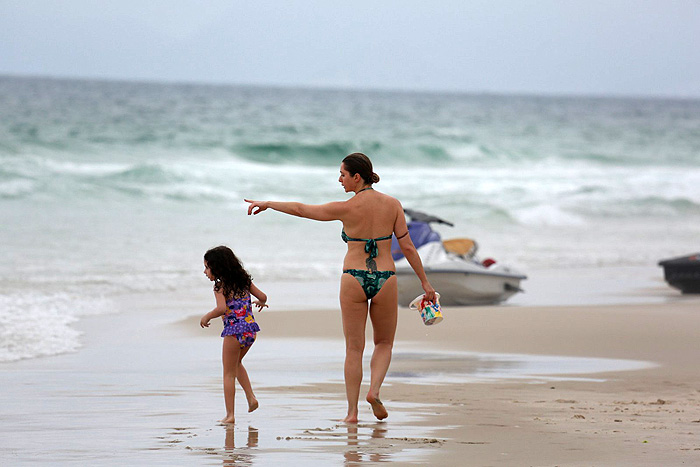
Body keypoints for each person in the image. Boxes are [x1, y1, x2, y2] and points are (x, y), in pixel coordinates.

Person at [245, 152, 435, 423]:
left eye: (343, 174)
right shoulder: (393, 205)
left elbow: (302, 209)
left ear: (357, 177)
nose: (339, 179)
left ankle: (352, 413)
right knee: (383, 342)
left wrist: (269, 204)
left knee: (354, 349)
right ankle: (374, 391)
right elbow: (407, 246)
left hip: (353, 278)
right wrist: (425, 283)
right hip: (386, 278)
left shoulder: (345, 208)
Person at [200, 245, 268, 424]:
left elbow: (222, 308)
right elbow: (263, 296)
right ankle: (251, 398)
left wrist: (208, 315)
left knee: (228, 373)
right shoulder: (244, 281)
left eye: (207, 267)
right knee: (236, 364)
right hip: (251, 331)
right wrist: (260, 302)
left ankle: (230, 415)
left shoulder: (220, 287)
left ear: (218, 267)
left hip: (233, 332)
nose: (205, 271)